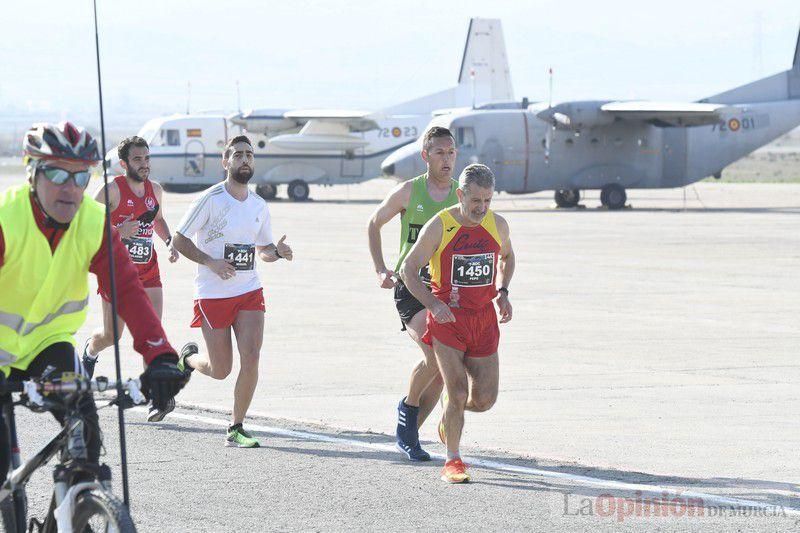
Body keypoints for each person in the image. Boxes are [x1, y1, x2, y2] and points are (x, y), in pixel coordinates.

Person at [0, 121, 188, 484]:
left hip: (47, 344)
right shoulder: (7, 220)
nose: (70, 188)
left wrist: (159, 356)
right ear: (31, 172)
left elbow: (129, 290)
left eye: (81, 177)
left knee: (87, 439)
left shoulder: (92, 222)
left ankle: (79, 506)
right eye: (56, 173)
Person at [172, 135, 293, 448]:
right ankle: (188, 359)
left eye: (249, 155)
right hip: (213, 293)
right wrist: (211, 262)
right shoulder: (211, 199)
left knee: (251, 358)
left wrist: (276, 252)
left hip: (249, 290)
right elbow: (179, 240)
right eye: (237, 155)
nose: (245, 160)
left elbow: (263, 249)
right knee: (221, 369)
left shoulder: (259, 205)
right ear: (225, 162)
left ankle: (236, 426)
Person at [401, 163, 515, 483]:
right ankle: (453, 459)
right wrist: (433, 304)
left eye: (488, 201)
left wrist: (503, 292)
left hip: (483, 319)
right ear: (461, 194)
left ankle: (448, 417)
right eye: (475, 200)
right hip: (448, 319)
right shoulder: (441, 224)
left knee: (484, 400)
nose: (481, 208)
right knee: (458, 388)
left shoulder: (498, 225)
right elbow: (408, 270)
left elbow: (508, 257)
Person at [367, 127, 459, 461]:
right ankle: (407, 412)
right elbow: (374, 223)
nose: (446, 159)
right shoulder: (409, 192)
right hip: (411, 285)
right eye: (439, 153)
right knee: (434, 356)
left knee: (442, 370)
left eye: (451, 152)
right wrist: (380, 269)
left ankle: (410, 434)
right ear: (425, 156)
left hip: (447, 291)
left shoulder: (463, 196)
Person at [82, 135, 179, 422]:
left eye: (147, 158)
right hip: (117, 272)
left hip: (148, 270)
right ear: (124, 163)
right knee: (113, 335)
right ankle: (89, 351)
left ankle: (158, 397)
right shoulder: (111, 190)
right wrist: (116, 231)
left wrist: (169, 241)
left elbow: (158, 219)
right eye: (138, 159)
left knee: (153, 333)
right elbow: (85, 224)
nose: (144, 164)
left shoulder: (155, 190)